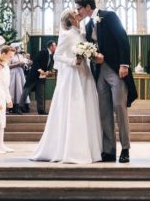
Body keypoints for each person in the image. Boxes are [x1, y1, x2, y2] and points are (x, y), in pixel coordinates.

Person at [32, 9, 102, 163]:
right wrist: (72, 62)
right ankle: (72, 149)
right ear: (72, 19)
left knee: (87, 107)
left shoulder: (81, 33)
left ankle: (91, 148)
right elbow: (57, 56)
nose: (79, 14)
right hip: (73, 75)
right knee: (74, 108)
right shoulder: (67, 34)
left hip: (85, 73)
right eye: (76, 14)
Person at [75, 0, 137, 163]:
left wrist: (124, 64)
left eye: (79, 8)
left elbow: (122, 38)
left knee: (119, 107)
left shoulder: (109, 16)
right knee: (104, 111)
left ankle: (125, 148)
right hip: (99, 72)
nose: (78, 11)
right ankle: (109, 150)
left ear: (88, 7)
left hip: (116, 69)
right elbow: (90, 47)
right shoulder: (87, 26)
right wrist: (93, 56)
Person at [20, 40, 57, 115]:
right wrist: (41, 70)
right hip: (34, 75)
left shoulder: (52, 55)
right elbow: (35, 61)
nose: (56, 47)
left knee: (40, 94)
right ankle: (19, 107)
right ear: (51, 46)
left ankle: (41, 110)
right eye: (55, 45)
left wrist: (48, 71)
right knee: (26, 91)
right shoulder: (43, 52)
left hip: (42, 77)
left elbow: (50, 65)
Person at [0, 45, 16, 153]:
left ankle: (1, 144)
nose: (11, 58)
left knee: (2, 121)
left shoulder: (6, 65)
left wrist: (8, 98)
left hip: (3, 94)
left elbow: (6, 85)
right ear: (3, 54)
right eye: (10, 56)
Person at [9, 43, 31, 114]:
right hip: (13, 73)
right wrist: (17, 64)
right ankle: (13, 106)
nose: (18, 49)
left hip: (20, 73)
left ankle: (22, 106)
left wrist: (26, 63)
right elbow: (8, 66)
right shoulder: (10, 56)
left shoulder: (21, 55)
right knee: (14, 89)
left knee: (21, 89)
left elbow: (25, 63)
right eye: (16, 47)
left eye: (18, 47)